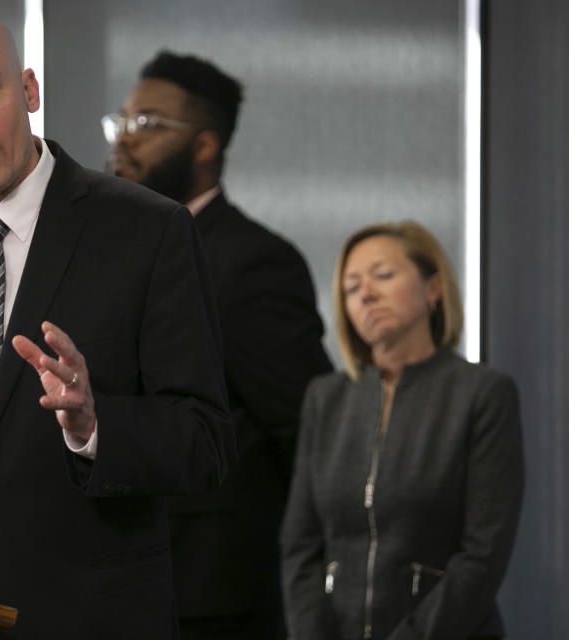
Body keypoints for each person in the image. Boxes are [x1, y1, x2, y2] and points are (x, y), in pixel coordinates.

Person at [0, 10, 235, 639]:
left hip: (90, 618)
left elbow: (207, 441)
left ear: (28, 91)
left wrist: (95, 426)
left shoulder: (148, 231)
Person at [105, 51, 332, 639]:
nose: (125, 139)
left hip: (214, 593)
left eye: (148, 125)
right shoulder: (112, 255)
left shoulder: (254, 263)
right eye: (123, 121)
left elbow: (306, 433)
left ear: (204, 147)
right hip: (112, 580)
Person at [281, 221, 524, 640]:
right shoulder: (326, 399)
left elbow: (483, 553)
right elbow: (300, 546)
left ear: (433, 289)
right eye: (351, 286)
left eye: (383, 275)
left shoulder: (482, 394)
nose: (366, 294)